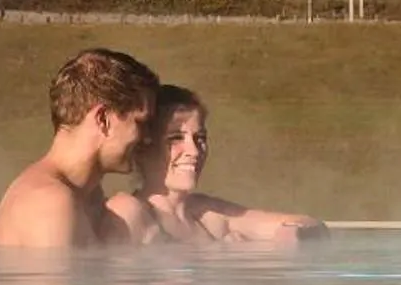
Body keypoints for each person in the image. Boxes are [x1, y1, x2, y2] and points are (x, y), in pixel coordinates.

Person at [107, 84, 327, 245]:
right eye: (175, 138)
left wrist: (292, 237)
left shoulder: (209, 214)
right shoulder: (129, 211)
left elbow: (314, 226)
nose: (194, 151)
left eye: (200, 138)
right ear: (143, 146)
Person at [0, 48, 160, 248]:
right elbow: (61, 280)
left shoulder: (86, 196)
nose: (148, 138)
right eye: (141, 123)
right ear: (103, 119)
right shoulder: (49, 204)